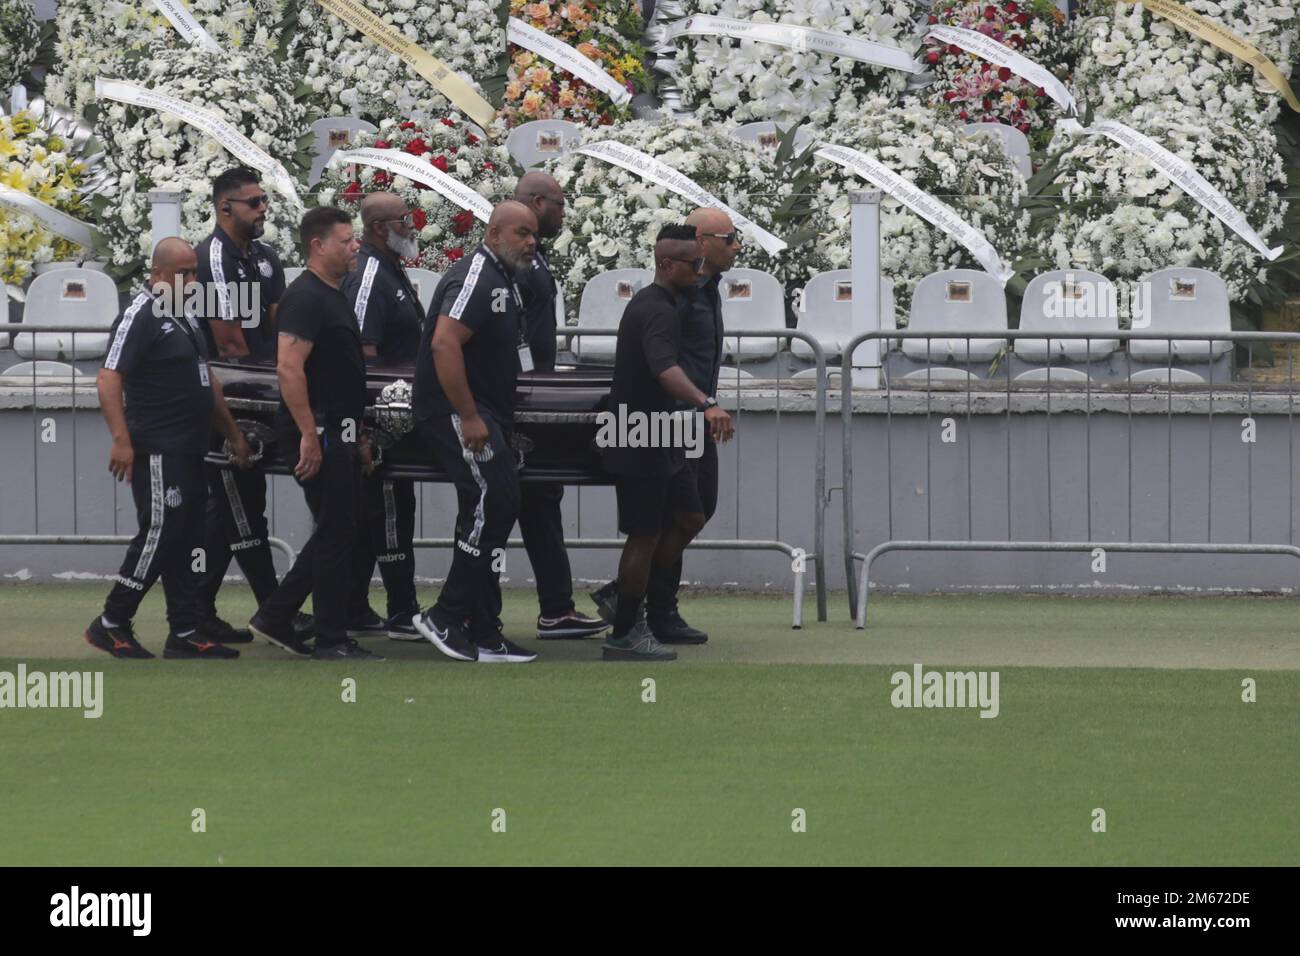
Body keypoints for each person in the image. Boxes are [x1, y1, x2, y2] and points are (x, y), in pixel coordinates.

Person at [84, 238, 252, 660]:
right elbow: (108, 378)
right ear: (157, 274)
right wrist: (122, 440)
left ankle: (187, 628)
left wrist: (231, 432)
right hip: (157, 448)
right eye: (182, 274)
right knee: (160, 534)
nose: (191, 280)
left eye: (194, 272)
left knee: (187, 537)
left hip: (191, 447)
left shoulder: (185, 313)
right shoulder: (139, 314)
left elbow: (205, 378)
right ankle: (111, 621)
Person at [592, 209, 738, 645]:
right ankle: (647, 613)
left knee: (693, 513)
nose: (735, 248)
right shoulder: (669, 299)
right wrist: (705, 402)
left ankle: (630, 598)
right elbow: (664, 366)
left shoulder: (698, 289)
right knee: (657, 525)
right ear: (699, 243)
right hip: (661, 424)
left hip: (678, 421)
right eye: (729, 239)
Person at [248, 207, 384, 662]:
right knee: (336, 530)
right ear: (317, 245)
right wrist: (310, 434)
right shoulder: (305, 297)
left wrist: (357, 434)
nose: (355, 247)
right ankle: (327, 635)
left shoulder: (333, 293)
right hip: (320, 431)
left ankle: (280, 616)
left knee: (340, 528)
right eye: (346, 241)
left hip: (338, 430)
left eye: (355, 240)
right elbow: (289, 367)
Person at [410, 201, 540, 664]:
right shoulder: (476, 276)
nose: (531, 242)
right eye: (522, 233)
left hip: (484, 409)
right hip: (454, 410)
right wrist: (468, 415)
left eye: (534, 234)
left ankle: (484, 630)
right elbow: (445, 342)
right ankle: (446, 613)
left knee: (486, 507)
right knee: (497, 498)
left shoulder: (504, 277)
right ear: (494, 232)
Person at [192, 166, 291, 646]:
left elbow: (281, 327)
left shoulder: (266, 257)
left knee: (231, 510)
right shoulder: (209, 258)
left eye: (263, 200)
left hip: (259, 396)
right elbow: (229, 345)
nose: (262, 209)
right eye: (253, 202)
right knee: (241, 506)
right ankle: (276, 611)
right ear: (224, 206)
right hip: (224, 400)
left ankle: (197, 610)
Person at [512, 171, 607, 640]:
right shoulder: (515, 265)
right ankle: (466, 612)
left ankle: (556, 608)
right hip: (520, 402)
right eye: (560, 204)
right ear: (535, 201)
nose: (564, 213)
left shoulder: (532, 260)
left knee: (539, 501)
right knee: (500, 508)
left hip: (532, 397)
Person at [340, 191, 425, 641]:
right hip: (381, 418)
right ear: (379, 228)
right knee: (390, 510)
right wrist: (367, 427)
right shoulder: (370, 275)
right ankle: (402, 609)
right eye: (404, 219)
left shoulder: (389, 269)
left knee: (381, 511)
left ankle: (354, 605)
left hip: (396, 413)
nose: (412, 226)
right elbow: (361, 356)